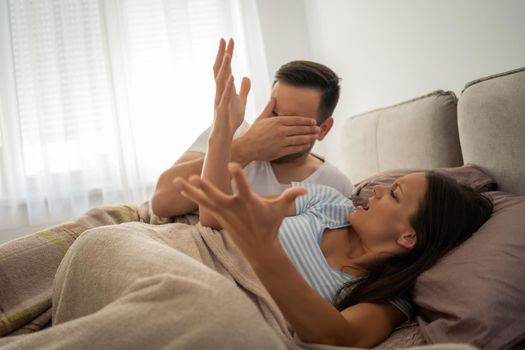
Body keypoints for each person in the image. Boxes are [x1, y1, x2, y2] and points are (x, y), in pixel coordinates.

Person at [172, 42, 494, 347]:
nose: (376, 190)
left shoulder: (386, 300)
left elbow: (340, 338)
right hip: (186, 256)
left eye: (394, 194)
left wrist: (265, 250)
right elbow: (213, 217)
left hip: (217, 304)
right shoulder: (328, 201)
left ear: (408, 237)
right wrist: (224, 130)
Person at [151, 38, 352, 218]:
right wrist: (244, 149)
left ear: (323, 129)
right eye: (274, 113)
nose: (276, 127)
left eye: (292, 122)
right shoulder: (231, 133)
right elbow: (161, 202)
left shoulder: (335, 185)